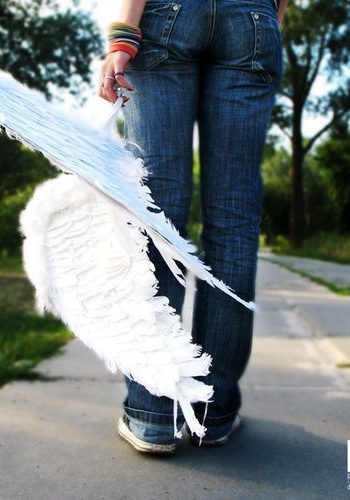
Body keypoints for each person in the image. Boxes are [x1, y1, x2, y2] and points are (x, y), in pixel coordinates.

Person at [98, 0, 288, 454]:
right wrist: (267, 19)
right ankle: (212, 412)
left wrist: (124, 35)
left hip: (170, 13)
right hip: (253, 20)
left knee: (157, 212)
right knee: (233, 219)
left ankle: (152, 414)